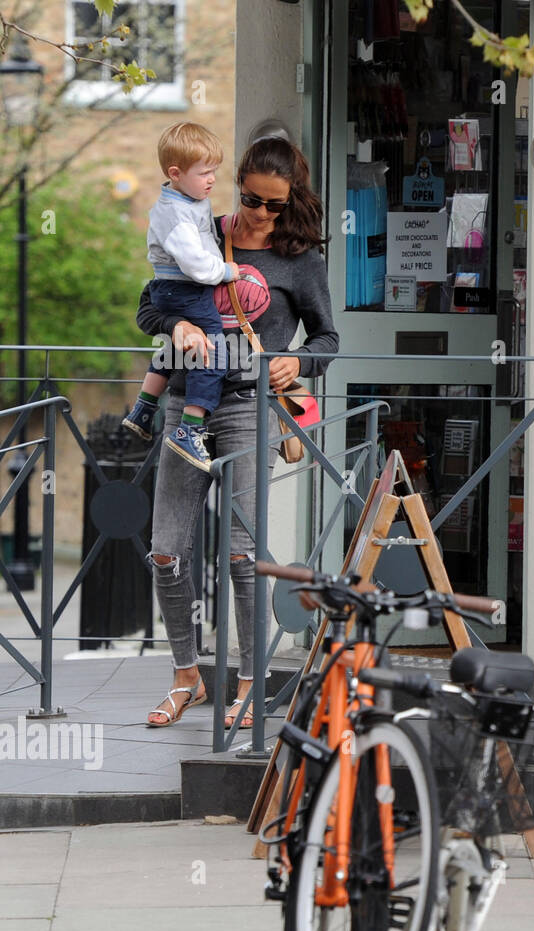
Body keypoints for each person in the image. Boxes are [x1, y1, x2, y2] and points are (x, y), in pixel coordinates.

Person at [137, 136, 338, 729]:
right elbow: (148, 307)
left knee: (244, 556)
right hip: (185, 406)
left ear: (290, 200)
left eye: (274, 205)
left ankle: (250, 684)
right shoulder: (198, 227)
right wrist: (176, 324)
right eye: (251, 198)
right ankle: (186, 676)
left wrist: (297, 362)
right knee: (166, 550)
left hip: (249, 409)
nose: (260, 213)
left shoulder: (299, 259)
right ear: (238, 186)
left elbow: (328, 341)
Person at [122, 122, 247, 473]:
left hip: (171, 290)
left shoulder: (188, 201)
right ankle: (189, 429)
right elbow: (196, 264)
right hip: (186, 290)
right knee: (215, 353)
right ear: (175, 174)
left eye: (214, 172)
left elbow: (203, 235)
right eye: (204, 173)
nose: (212, 180)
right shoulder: (175, 214)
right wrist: (226, 272)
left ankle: (144, 409)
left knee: (176, 348)